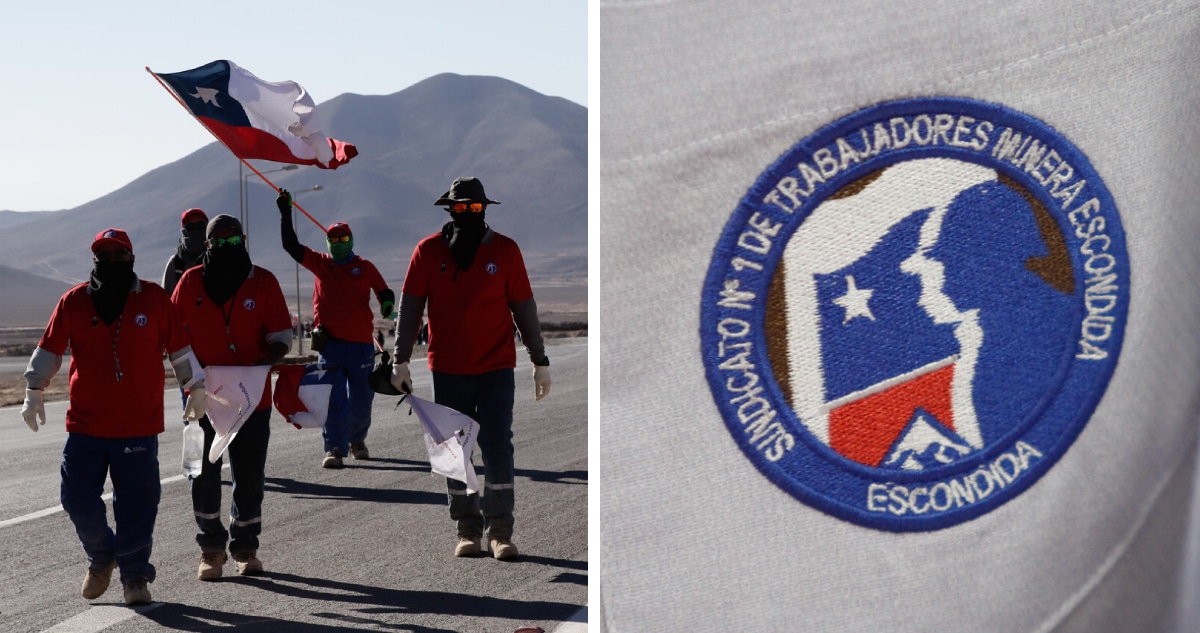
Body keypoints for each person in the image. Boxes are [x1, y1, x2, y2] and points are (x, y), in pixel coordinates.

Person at [598, 3, 1200, 633]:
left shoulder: (1026, 343)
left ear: (986, 259)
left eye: (934, 255)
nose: (917, 270)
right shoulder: (987, 347)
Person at [21, 228, 207, 606]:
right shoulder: (73, 302)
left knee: (138, 503)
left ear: (131, 259)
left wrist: (196, 386)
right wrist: (33, 389)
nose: (112, 263)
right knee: (75, 498)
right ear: (95, 261)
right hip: (86, 425)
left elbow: (180, 349)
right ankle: (102, 555)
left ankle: (135, 576)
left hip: (138, 425)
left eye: (119, 256)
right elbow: (50, 348)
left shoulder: (154, 299)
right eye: (104, 256)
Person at [390, 177, 552, 560]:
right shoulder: (428, 251)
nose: (468, 213)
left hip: (495, 367)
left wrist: (539, 360)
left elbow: (524, 307)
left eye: (475, 208)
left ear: (485, 210)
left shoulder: (506, 251)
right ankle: (467, 529)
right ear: (450, 209)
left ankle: (500, 530)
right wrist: (399, 359)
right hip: (448, 368)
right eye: (461, 208)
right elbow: (410, 308)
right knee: (455, 451)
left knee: (498, 448)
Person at [171, 215, 292, 580]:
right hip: (199, 397)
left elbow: (282, 334)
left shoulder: (264, 282)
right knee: (200, 471)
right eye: (219, 242)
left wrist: (269, 357)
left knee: (250, 474)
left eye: (233, 240)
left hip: (251, 396)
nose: (227, 247)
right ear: (207, 245)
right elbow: (173, 338)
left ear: (243, 240)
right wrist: (191, 381)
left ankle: (245, 548)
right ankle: (210, 549)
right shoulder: (189, 282)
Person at [277, 190, 394, 467]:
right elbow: (291, 246)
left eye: (343, 239)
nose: (338, 243)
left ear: (351, 240)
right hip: (330, 347)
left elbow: (383, 289)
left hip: (361, 347)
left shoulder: (363, 266)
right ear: (327, 242)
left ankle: (356, 440)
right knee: (332, 399)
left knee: (362, 400)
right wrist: (285, 212)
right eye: (333, 239)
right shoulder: (320, 264)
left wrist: (387, 304)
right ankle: (335, 449)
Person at [161, 207, 209, 296]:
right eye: (191, 227)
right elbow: (166, 303)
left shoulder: (217, 257)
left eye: (200, 225)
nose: (196, 231)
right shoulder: (176, 264)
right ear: (184, 230)